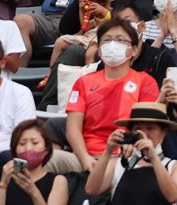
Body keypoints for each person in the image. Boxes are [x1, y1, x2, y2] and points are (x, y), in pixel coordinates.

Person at [64, 18, 158, 166]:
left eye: (120, 40)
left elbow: (147, 127)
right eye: (106, 40)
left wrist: (133, 143)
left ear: (134, 50)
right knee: (49, 160)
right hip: (86, 156)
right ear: (99, 51)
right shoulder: (83, 82)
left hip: (125, 156)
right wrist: (84, 158)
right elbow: (73, 128)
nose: (113, 44)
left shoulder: (145, 82)